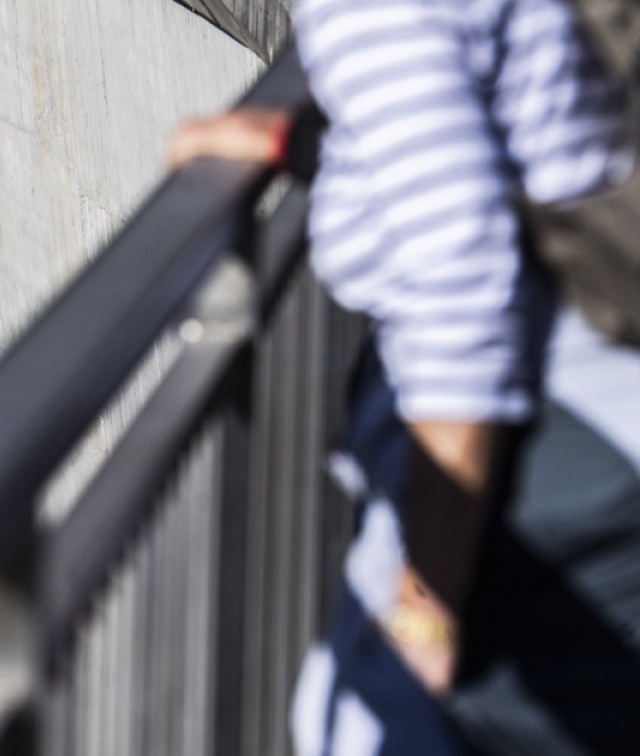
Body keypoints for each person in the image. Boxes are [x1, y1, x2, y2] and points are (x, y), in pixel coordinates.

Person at [171, 0, 640, 752]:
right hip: (587, 396)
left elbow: (464, 289)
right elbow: (499, 105)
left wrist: (427, 601)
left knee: (363, 722)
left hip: (550, 434)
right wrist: (309, 144)